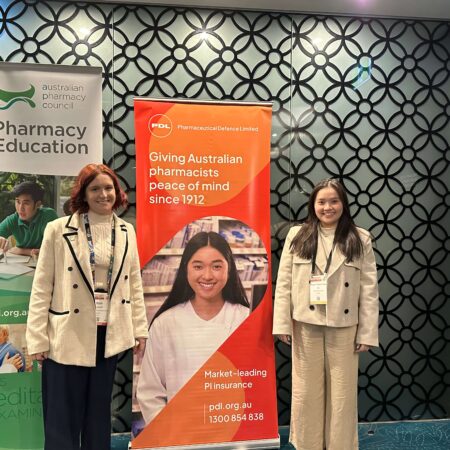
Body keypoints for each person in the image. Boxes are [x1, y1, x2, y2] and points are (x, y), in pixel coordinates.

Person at [26, 164, 148, 450]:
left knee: (98, 415)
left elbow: (134, 283)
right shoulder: (58, 229)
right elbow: (42, 287)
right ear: (83, 193)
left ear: (117, 191)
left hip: (108, 333)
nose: (103, 194)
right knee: (61, 417)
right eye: (95, 189)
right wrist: (37, 339)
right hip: (67, 333)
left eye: (108, 188)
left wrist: (139, 328)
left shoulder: (126, 230)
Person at [273, 178, 379, 450]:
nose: (327, 207)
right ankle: (307, 444)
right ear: (313, 205)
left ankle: (340, 445)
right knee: (306, 390)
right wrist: (282, 323)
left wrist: (367, 333)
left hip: (345, 326)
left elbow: (369, 289)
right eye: (321, 202)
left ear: (343, 204)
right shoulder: (297, 235)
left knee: (342, 393)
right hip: (305, 324)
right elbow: (284, 283)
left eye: (334, 201)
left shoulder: (360, 238)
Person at [137, 231, 250, 424]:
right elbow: (150, 392)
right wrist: (168, 431)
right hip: (179, 431)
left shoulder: (245, 318)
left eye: (216, 266)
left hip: (233, 428)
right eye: (198, 266)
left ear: (229, 269)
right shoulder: (165, 323)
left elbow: (256, 384)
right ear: (186, 269)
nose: (207, 275)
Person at [0, 181, 58, 257]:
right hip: (21, 262)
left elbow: (57, 247)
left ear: (38, 204)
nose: (20, 208)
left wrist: (21, 250)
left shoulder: (48, 215)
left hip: (46, 261)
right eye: (18, 202)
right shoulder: (13, 219)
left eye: (26, 203)